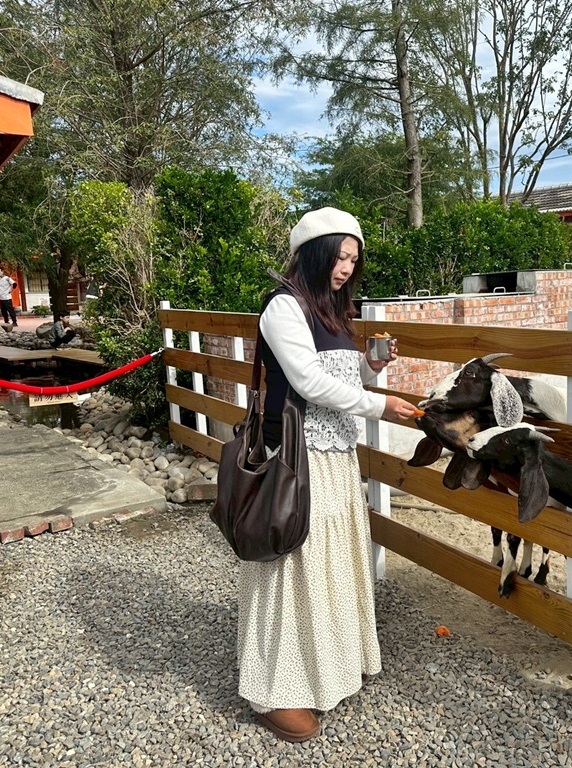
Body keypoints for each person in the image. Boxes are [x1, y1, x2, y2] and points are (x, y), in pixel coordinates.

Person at [238, 207, 417, 743]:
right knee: (293, 563)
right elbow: (310, 383)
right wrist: (379, 404)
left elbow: (338, 377)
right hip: (298, 455)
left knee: (329, 561)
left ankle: (326, 668)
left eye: (353, 260)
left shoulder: (333, 311)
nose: (346, 268)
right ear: (314, 253)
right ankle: (275, 690)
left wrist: (371, 370)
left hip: (335, 455)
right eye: (339, 256)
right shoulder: (283, 307)